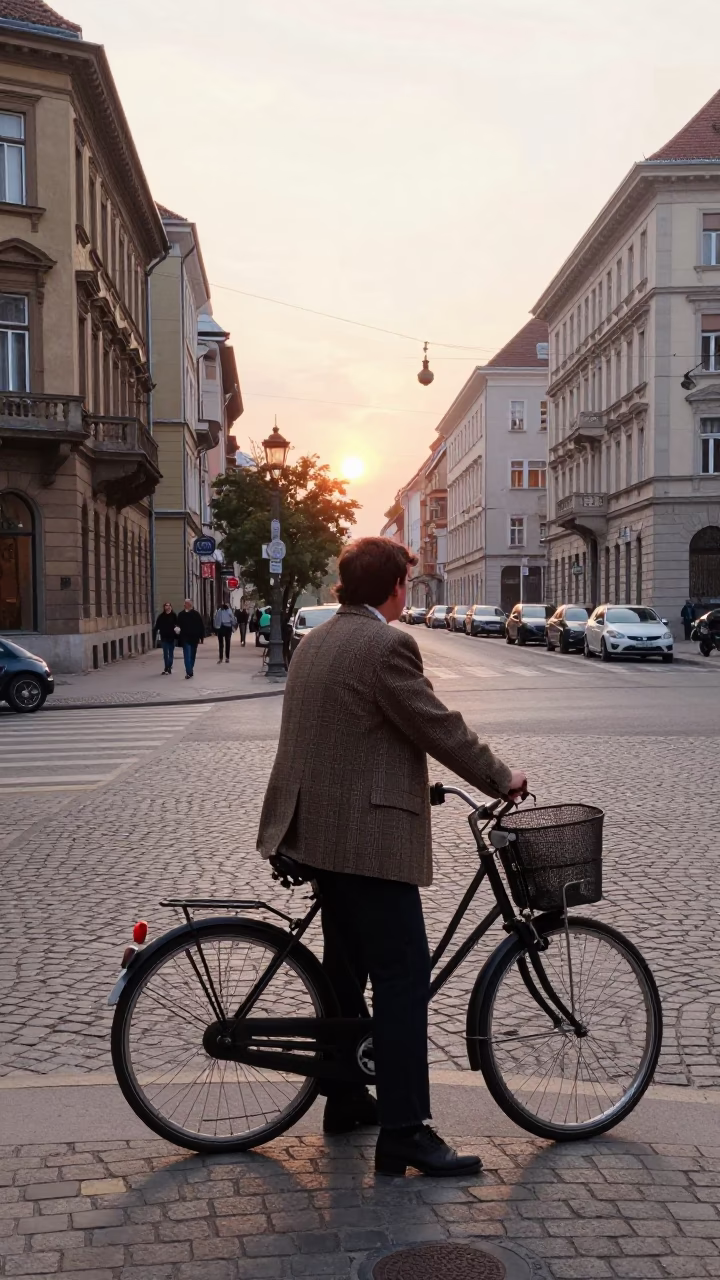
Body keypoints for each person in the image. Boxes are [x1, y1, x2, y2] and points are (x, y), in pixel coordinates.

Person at [257, 537, 526, 1178]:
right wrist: (501, 778)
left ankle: (348, 1097)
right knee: (403, 980)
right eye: (406, 580)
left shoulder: (318, 639)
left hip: (314, 831)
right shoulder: (385, 646)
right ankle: (405, 1130)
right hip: (365, 843)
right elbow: (437, 725)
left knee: (345, 974)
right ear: (394, 587)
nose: (408, 590)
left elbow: (352, 733)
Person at [175, 598, 205, 679]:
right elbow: (178, 625)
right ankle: (189, 671)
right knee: (187, 655)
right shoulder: (181, 614)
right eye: (185, 603)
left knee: (192, 655)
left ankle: (190, 669)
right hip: (185, 638)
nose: (185, 605)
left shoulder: (196, 614)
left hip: (194, 638)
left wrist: (201, 637)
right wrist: (177, 631)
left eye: (187, 603)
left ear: (190, 605)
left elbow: (201, 626)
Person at [152, 602, 177, 674]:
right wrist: (155, 634)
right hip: (164, 637)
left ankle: (169, 665)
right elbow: (157, 626)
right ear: (164, 607)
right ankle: (166, 667)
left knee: (171, 652)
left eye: (169, 606)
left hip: (172, 637)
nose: (167, 607)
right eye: (166, 606)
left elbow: (177, 624)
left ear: (171, 607)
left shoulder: (174, 615)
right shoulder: (161, 616)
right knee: (165, 653)